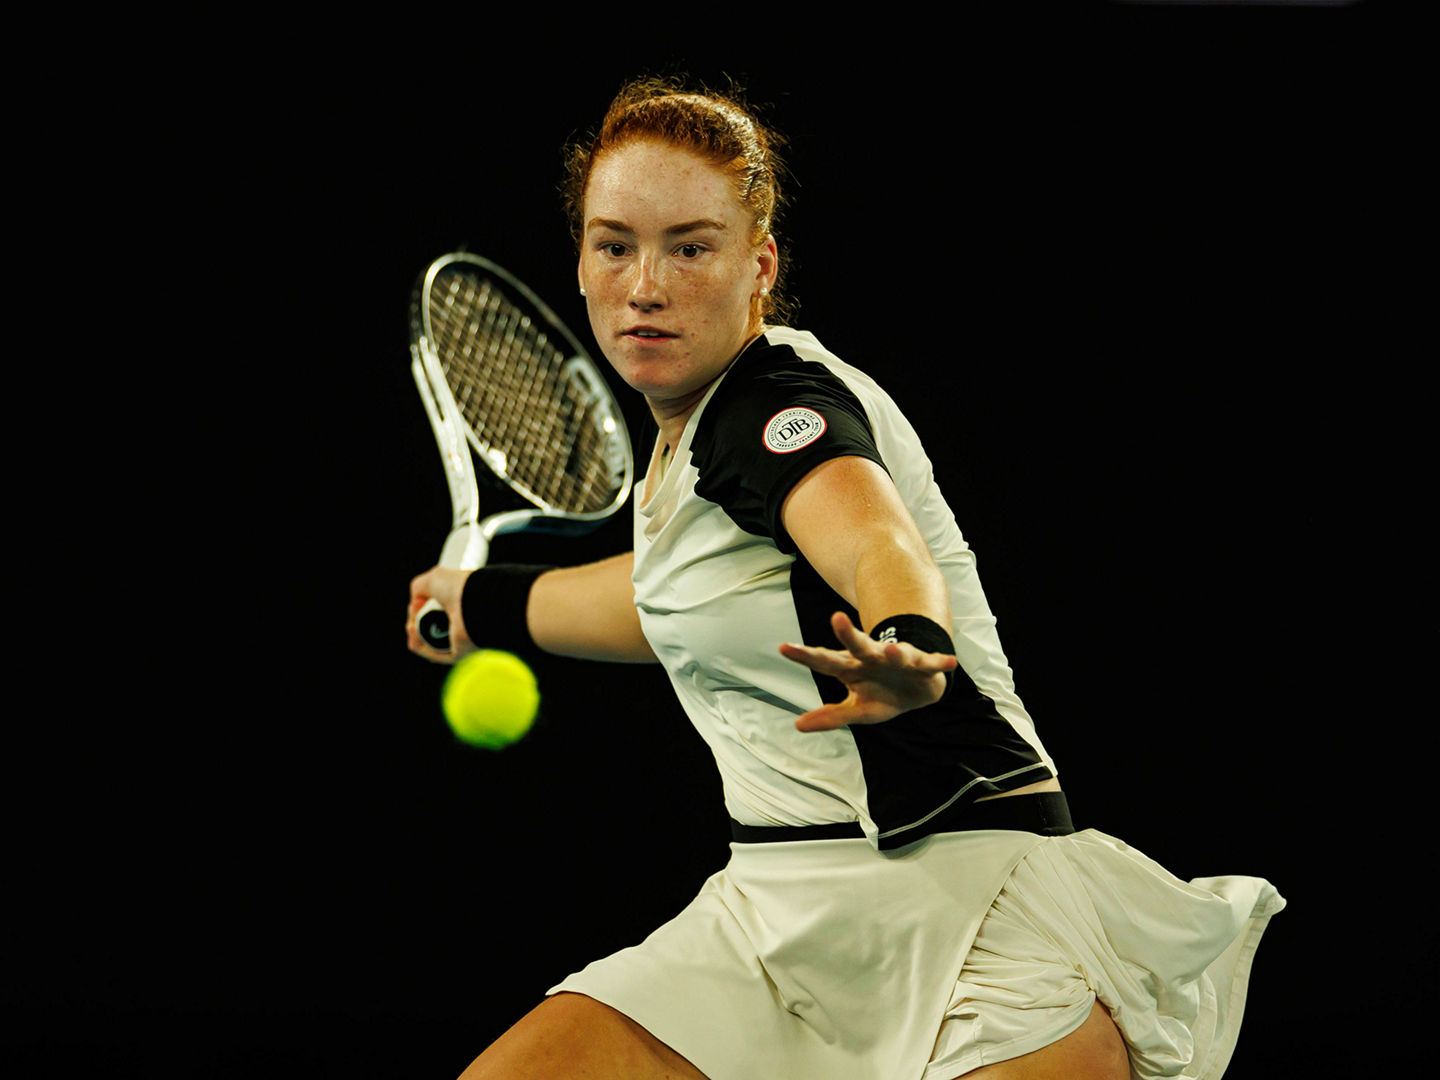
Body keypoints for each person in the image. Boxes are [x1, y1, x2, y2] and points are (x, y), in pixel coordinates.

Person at [406, 77, 1284, 1080]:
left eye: (690, 247)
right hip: (771, 912)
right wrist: (482, 604)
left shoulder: (778, 410)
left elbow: (874, 542)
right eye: (615, 245)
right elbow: (660, 603)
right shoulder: (686, 446)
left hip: (965, 907)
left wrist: (914, 644)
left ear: (758, 266)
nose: (644, 284)